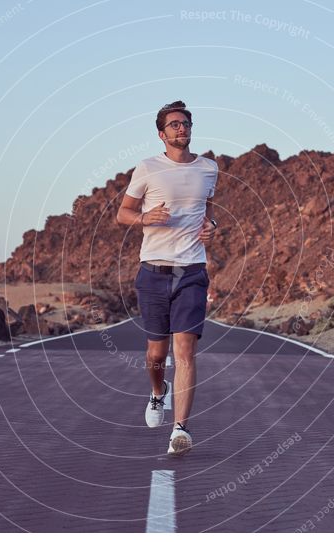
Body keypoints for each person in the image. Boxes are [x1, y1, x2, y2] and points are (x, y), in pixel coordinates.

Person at [116, 101, 218, 456]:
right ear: (162, 134)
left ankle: (181, 429)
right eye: (174, 124)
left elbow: (207, 210)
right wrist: (145, 219)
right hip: (153, 271)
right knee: (156, 354)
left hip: (191, 270)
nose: (182, 128)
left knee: (185, 351)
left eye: (186, 123)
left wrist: (211, 228)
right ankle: (158, 393)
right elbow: (122, 213)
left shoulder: (209, 168)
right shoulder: (147, 168)